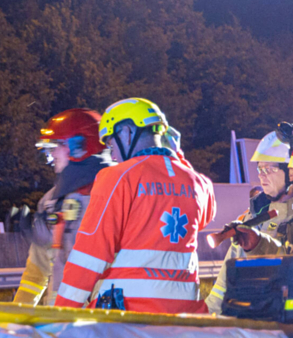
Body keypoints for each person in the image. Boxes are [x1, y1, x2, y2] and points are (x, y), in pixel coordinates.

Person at [54, 98, 216, 313]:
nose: (111, 154)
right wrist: (178, 158)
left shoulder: (117, 177)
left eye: (111, 143)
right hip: (185, 316)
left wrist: (60, 313)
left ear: (127, 132)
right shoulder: (199, 182)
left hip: (130, 318)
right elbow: (205, 217)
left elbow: (89, 255)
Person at [14, 109, 113, 305]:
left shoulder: (114, 194)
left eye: (55, 146)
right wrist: (15, 316)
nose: (50, 155)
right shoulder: (50, 201)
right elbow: (36, 273)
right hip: (59, 325)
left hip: (98, 326)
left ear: (79, 147)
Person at [206, 130, 293, 312]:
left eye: (269, 169)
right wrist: (202, 320)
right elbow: (223, 286)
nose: (261, 175)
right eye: (259, 169)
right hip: (256, 325)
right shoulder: (252, 218)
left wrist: (259, 245)